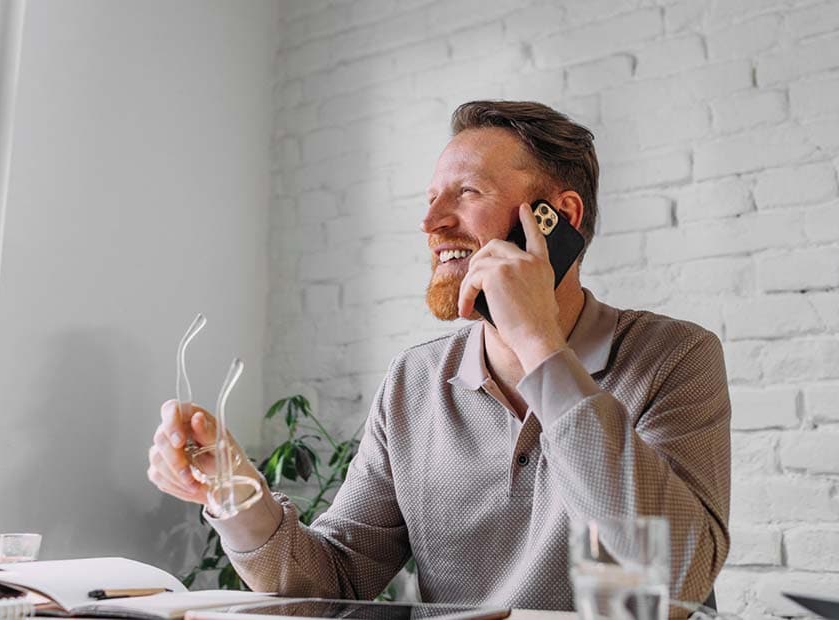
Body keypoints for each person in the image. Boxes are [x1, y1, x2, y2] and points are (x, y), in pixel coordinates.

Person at [147, 101, 731, 610]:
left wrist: (538, 345)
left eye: (468, 193)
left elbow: (675, 579)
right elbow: (332, 583)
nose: (431, 223)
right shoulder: (415, 381)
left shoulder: (673, 358)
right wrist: (235, 488)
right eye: (431, 200)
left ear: (559, 219)